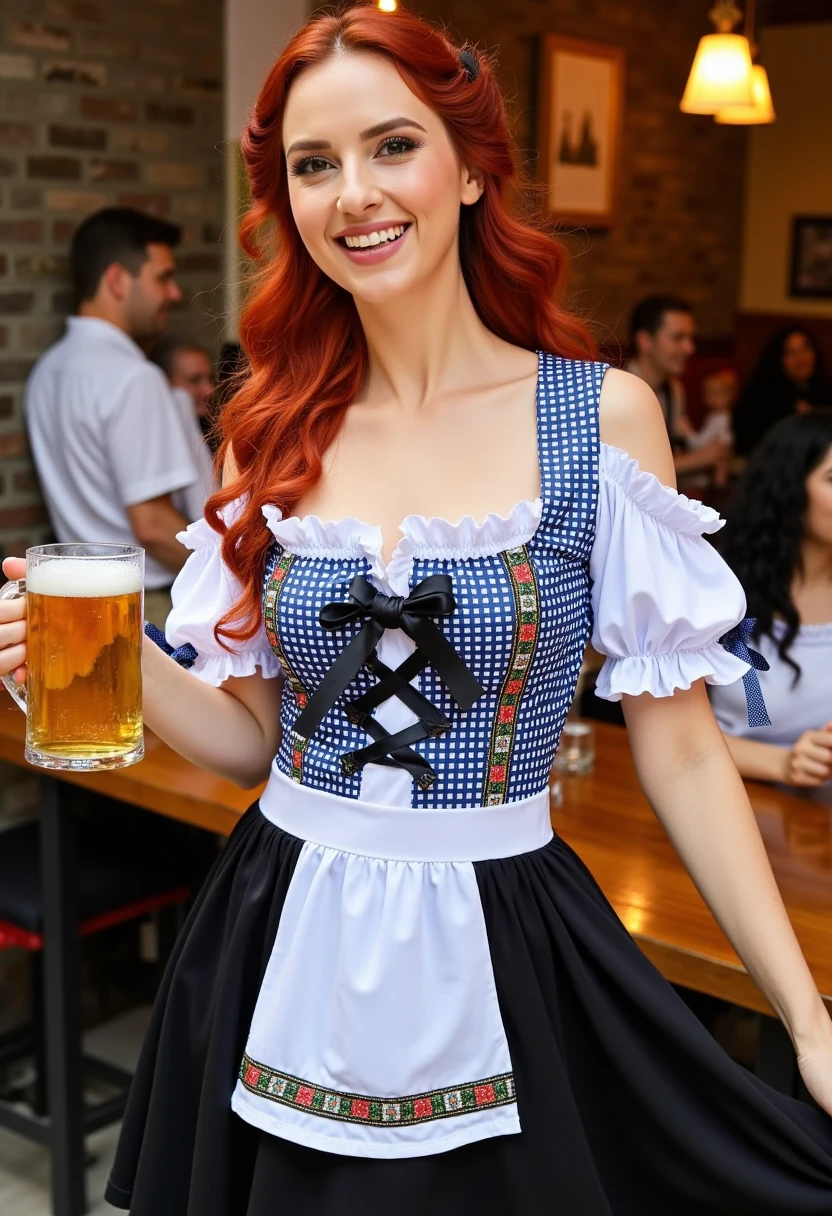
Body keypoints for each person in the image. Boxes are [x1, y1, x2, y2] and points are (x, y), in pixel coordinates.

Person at [3, 8, 832, 1212]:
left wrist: (806, 1014)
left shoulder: (596, 417)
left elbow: (685, 747)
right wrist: (106, 658)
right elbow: (250, 742)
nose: (353, 193)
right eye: (313, 164)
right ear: (285, 200)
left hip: (504, 926)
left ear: (472, 167)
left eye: (392, 146)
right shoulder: (267, 428)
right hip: (278, 921)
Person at [24, 208, 200, 628]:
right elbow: (153, 527)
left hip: (78, 600)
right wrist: (232, 583)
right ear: (118, 280)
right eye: (163, 277)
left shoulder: (47, 370)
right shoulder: (135, 377)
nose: (174, 294)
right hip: (146, 605)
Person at [713, 411, 832, 801]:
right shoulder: (722, 594)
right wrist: (783, 763)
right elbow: (673, 738)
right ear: (789, 489)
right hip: (732, 804)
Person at [627, 294, 731, 487]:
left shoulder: (674, 389)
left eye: (690, 338)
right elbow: (626, 473)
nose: (689, 348)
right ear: (645, 341)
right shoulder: (622, 392)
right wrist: (696, 459)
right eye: (678, 338)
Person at [734, 326, 832, 456]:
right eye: (791, 353)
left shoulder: (826, 391)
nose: (801, 359)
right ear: (779, 360)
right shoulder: (760, 397)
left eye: (805, 349)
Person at [149, 335, 218, 521]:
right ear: (164, 385)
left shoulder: (212, 428)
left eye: (210, 379)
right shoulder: (153, 442)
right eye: (195, 380)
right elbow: (201, 508)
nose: (208, 390)